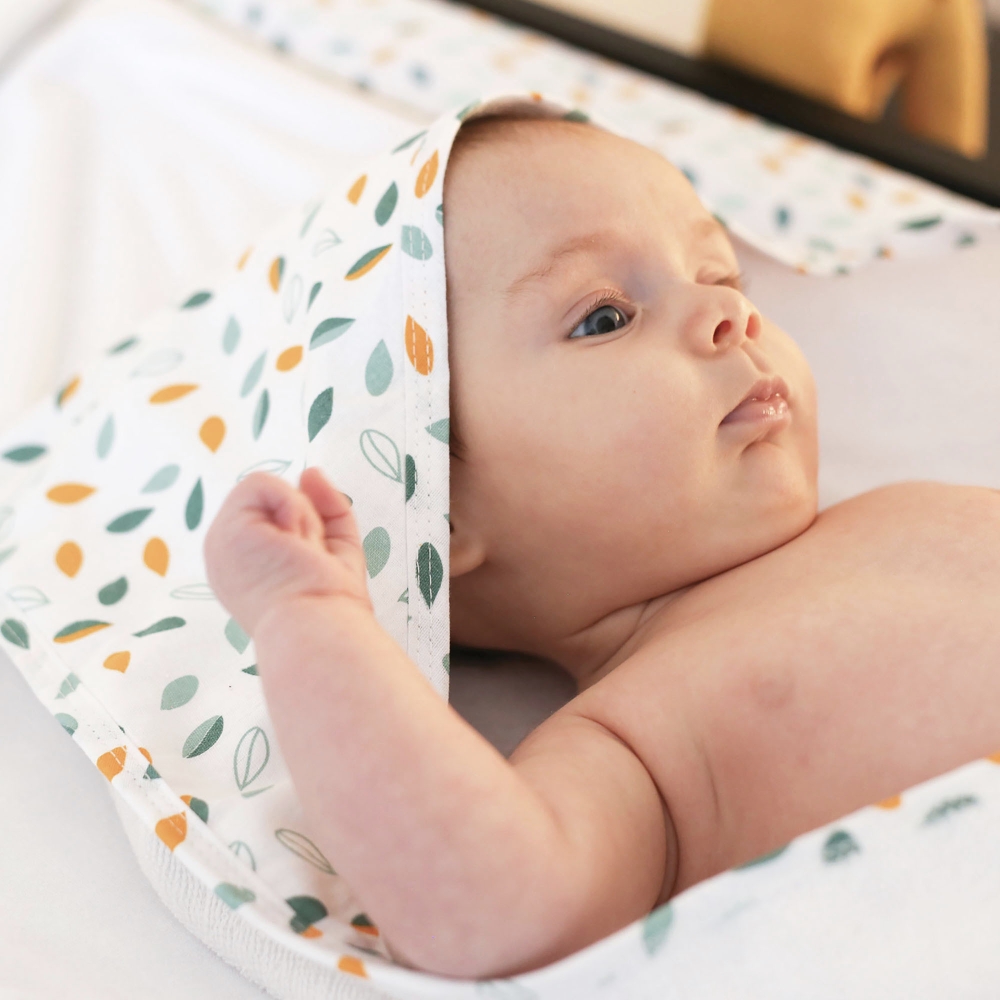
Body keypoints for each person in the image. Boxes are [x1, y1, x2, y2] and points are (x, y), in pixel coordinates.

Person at [203, 115, 1000, 980]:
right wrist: (311, 622)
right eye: (607, 317)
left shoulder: (891, 511)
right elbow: (487, 909)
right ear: (438, 511)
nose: (729, 312)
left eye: (718, 271)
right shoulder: (633, 742)